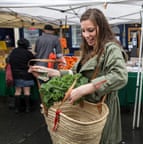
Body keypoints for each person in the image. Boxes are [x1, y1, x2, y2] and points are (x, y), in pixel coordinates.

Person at [29, 8, 128, 144]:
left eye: (91, 30)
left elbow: (119, 76)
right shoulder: (89, 49)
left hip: (101, 108)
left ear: (102, 27)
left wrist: (86, 88)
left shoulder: (111, 49)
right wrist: (52, 73)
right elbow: (75, 74)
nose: (86, 35)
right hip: (85, 107)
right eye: (83, 31)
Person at [8, 38, 35, 113]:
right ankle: (28, 108)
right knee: (27, 91)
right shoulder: (28, 53)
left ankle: (17, 109)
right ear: (27, 44)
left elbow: (9, 61)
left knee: (17, 91)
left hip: (16, 74)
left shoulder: (13, 52)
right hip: (26, 74)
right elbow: (33, 62)